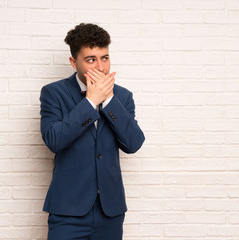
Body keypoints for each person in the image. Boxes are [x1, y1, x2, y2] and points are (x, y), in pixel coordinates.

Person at [39, 23, 145, 240]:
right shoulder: (53, 93)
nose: (101, 67)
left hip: (110, 212)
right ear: (73, 62)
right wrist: (90, 102)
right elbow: (54, 140)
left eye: (104, 58)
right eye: (91, 60)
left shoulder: (122, 97)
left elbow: (133, 143)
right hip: (67, 210)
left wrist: (108, 101)